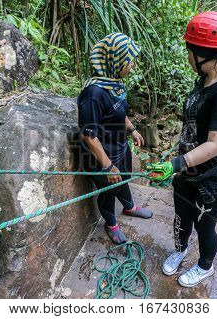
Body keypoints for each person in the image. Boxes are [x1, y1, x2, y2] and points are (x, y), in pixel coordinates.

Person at [147, 11, 217, 287]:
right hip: (189, 170)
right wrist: (176, 159)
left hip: (214, 177)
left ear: (203, 53)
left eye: (190, 50)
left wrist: (177, 163)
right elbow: (194, 126)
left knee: (205, 225)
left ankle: (205, 266)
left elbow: (216, 143)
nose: (188, 57)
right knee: (182, 215)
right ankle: (180, 250)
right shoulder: (205, 76)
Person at [78, 33, 153, 245]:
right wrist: (108, 166)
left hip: (120, 146)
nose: (133, 65)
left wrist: (132, 130)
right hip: (102, 155)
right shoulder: (93, 94)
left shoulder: (114, 83)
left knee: (125, 177)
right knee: (110, 189)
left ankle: (129, 207)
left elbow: (118, 111)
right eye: (130, 61)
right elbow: (88, 135)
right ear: (115, 61)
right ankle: (110, 224)